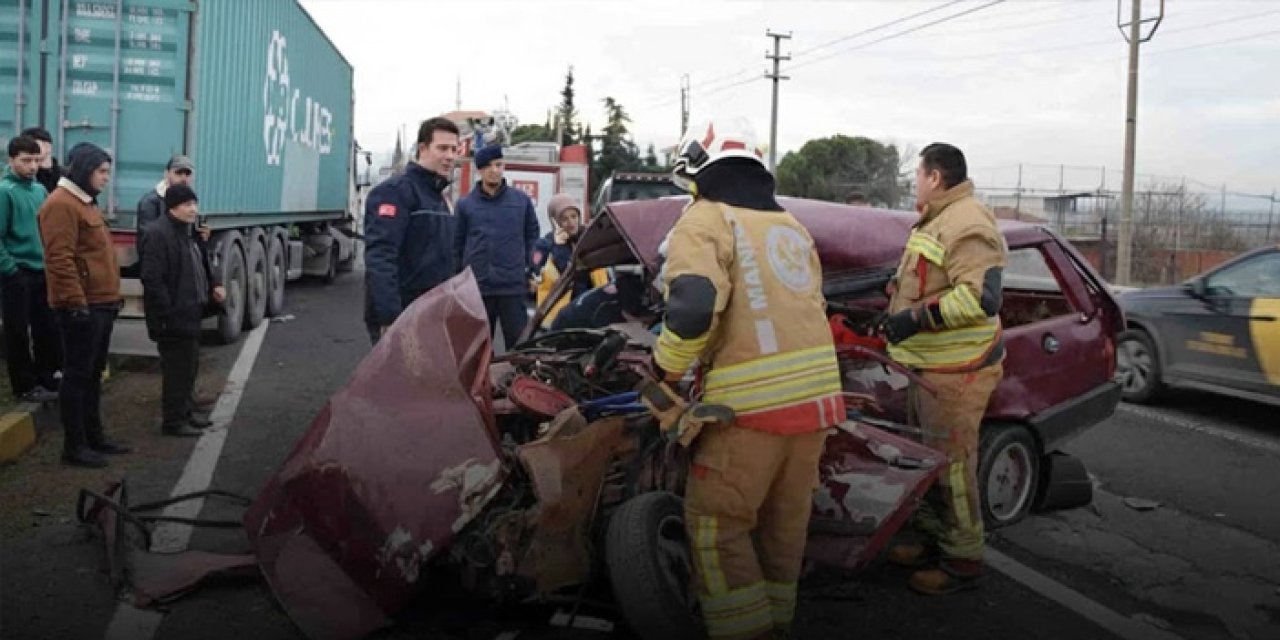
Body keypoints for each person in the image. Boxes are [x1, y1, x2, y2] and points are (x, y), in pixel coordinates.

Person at [653, 119, 845, 639]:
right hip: (818, 407)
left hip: (748, 415)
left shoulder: (706, 218)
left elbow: (692, 310)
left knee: (718, 529)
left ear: (699, 168)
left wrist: (665, 369)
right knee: (782, 529)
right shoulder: (791, 227)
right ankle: (777, 622)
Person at [877, 143, 1007, 595]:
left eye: (918, 174)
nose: (914, 181)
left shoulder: (967, 221)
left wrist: (912, 319)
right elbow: (928, 279)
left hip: (959, 369)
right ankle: (934, 539)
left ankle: (962, 560)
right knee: (929, 461)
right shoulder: (938, 218)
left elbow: (978, 298)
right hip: (929, 367)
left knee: (952, 466)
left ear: (935, 178)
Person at [38, 142, 130, 468]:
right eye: (101, 172)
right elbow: (59, 259)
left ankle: (95, 437)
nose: (106, 178)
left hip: (100, 303)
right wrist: (76, 304)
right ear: (84, 170)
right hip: (82, 306)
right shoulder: (61, 205)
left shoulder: (85, 202)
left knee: (92, 375)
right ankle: (74, 446)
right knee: (77, 376)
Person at [364, 117, 461, 345]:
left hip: (431, 314)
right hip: (403, 316)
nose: (450, 156)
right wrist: (390, 319)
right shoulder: (394, 193)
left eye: (454, 149)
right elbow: (381, 258)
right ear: (423, 149)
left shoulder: (440, 197)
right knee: (395, 380)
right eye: (442, 148)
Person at [140, 185, 225, 437]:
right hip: (173, 317)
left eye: (194, 204)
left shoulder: (187, 232)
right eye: (187, 205)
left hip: (190, 312)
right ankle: (174, 421)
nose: (193, 210)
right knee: (176, 370)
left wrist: (212, 288)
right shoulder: (157, 234)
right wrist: (168, 313)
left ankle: (186, 412)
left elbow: (200, 264)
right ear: (173, 207)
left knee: (189, 366)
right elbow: (153, 279)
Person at [453, 145, 539, 347]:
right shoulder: (465, 205)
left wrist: (530, 269)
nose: (494, 170)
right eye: (488, 166)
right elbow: (456, 245)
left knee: (520, 347)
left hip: (512, 287)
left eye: (499, 164)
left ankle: (517, 379)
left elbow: (532, 236)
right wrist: (458, 281)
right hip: (478, 289)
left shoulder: (521, 201)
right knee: (478, 349)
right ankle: (483, 380)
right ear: (480, 171)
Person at [0, 135, 62, 402]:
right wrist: (10, 269)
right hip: (18, 272)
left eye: (36, 160)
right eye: (26, 161)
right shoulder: (5, 192)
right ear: (11, 160)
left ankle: (46, 377)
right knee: (17, 331)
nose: (33, 166)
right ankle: (24, 385)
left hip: (42, 270)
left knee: (46, 327)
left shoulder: (39, 190)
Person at [533, 193, 608, 328]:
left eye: (574, 216)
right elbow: (537, 265)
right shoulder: (544, 245)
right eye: (564, 219)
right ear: (555, 221)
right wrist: (559, 246)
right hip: (559, 314)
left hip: (589, 307)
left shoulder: (587, 239)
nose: (571, 222)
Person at [136, 155, 208, 255]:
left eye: (187, 174)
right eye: (178, 173)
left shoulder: (190, 203)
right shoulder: (150, 202)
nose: (183, 178)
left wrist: (201, 239)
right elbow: (147, 243)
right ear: (166, 174)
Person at [549, 270, 652, 331]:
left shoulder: (626, 284)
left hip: (567, 318)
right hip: (564, 330)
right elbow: (628, 316)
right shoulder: (628, 291)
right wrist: (648, 320)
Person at [19, 127, 60, 195]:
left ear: (47, 146)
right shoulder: (23, 174)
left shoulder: (66, 177)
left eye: (33, 145)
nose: (27, 149)